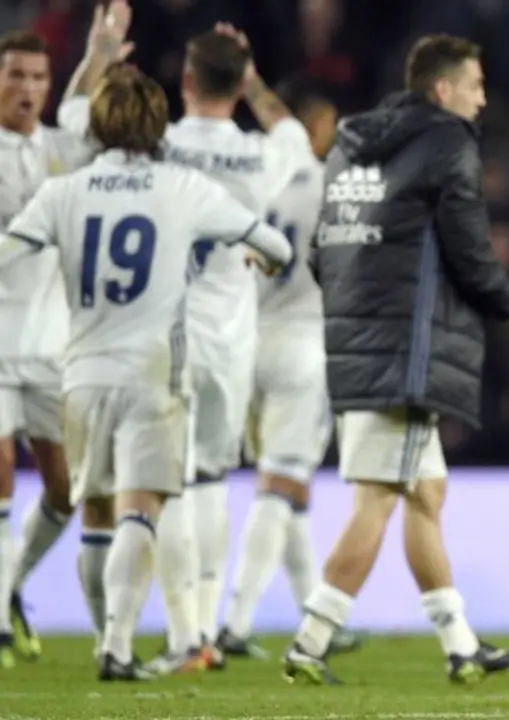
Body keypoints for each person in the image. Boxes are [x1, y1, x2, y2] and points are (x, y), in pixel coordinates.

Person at [0, 62, 291, 681]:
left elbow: (7, 251)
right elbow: (279, 246)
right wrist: (262, 262)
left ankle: (109, 642)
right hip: (153, 375)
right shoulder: (183, 187)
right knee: (141, 511)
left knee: (97, 515)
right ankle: (117, 645)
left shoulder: (64, 191)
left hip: (79, 374)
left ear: (100, 124)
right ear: (157, 123)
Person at [282, 33, 509, 686]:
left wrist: (365, 309)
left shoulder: (349, 145)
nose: (483, 98)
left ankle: (460, 646)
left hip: (357, 346)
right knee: (377, 499)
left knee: (425, 493)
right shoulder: (447, 144)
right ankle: (310, 643)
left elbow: (323, 252)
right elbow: (470, 252)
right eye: (476, 85)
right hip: (405, 354)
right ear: (443, 91)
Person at [58, 8, 315, 674]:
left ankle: (186, 634)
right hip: (233, 339)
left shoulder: (159, 145)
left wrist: (99, 57)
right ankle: (202, 628)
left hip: (161, 334)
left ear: (186, 79)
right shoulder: (262, 154)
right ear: (236, 84)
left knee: (159, 484)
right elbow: (292, 130)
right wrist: (256, 82)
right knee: (207, 482)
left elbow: (73, 126)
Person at [217, 80, 361, 659]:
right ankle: (236, 621)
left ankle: (314, 610)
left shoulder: (265, 175)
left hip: (250, 337)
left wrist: (252, 83)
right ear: (319, 128)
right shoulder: (334, 185)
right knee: (280, 482)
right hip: (306, 341)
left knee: (288, 485)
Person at [0, 28, 97, 667]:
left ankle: (8, 588)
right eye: (16, 76)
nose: (28, 89)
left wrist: (98, 51)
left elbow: (85, 109)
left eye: (38, 77)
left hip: (51, 346)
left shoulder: (63, 148)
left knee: (64, 493)